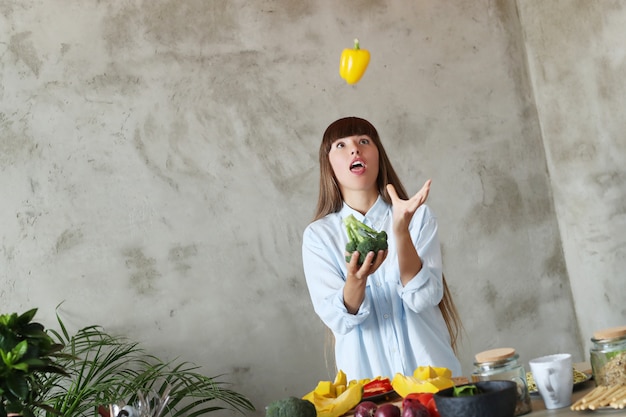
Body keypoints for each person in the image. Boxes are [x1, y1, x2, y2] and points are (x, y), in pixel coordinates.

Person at [302, 116, 463, 380]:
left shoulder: (418, 218)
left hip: (433, 379)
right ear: (328, 164)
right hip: (369, 391)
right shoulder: (319, 236)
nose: (355, 148)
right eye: (341, 145)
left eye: (364, 141)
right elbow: (338, 319)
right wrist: (356, 279)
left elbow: (423, 298)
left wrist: (400, 230)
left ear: (378, 155)